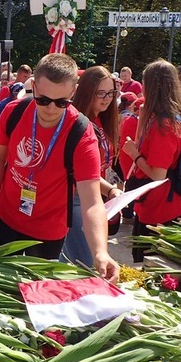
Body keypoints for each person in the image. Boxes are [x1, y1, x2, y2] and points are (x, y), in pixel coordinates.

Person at [0, 54, 118, 281]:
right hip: (3, 218)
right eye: (43, 100)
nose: (51, 109)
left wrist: (100, 251)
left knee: (34, 302)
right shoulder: (14, 111)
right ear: (33, 86)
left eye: (62, 102)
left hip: (47, 234)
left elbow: (92, 202)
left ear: (73, 93)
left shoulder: (82, 133)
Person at [121, 60, 181, 263]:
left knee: (149, 263)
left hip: (159, 206)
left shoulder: (165, 125)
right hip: (156, 202)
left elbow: (158, 174)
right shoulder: (168, 117)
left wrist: (134, 154)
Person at [60, 66, 122, 266]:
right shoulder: (79, 123)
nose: (107, 98)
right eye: (100, 93)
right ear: (87, 92)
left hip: (92, 195)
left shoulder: (103, 120)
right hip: (76, 198)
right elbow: (82, 173)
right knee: (87, 263)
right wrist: (110, 189)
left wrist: (111, 189)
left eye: (111, 93)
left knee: (70, 261)